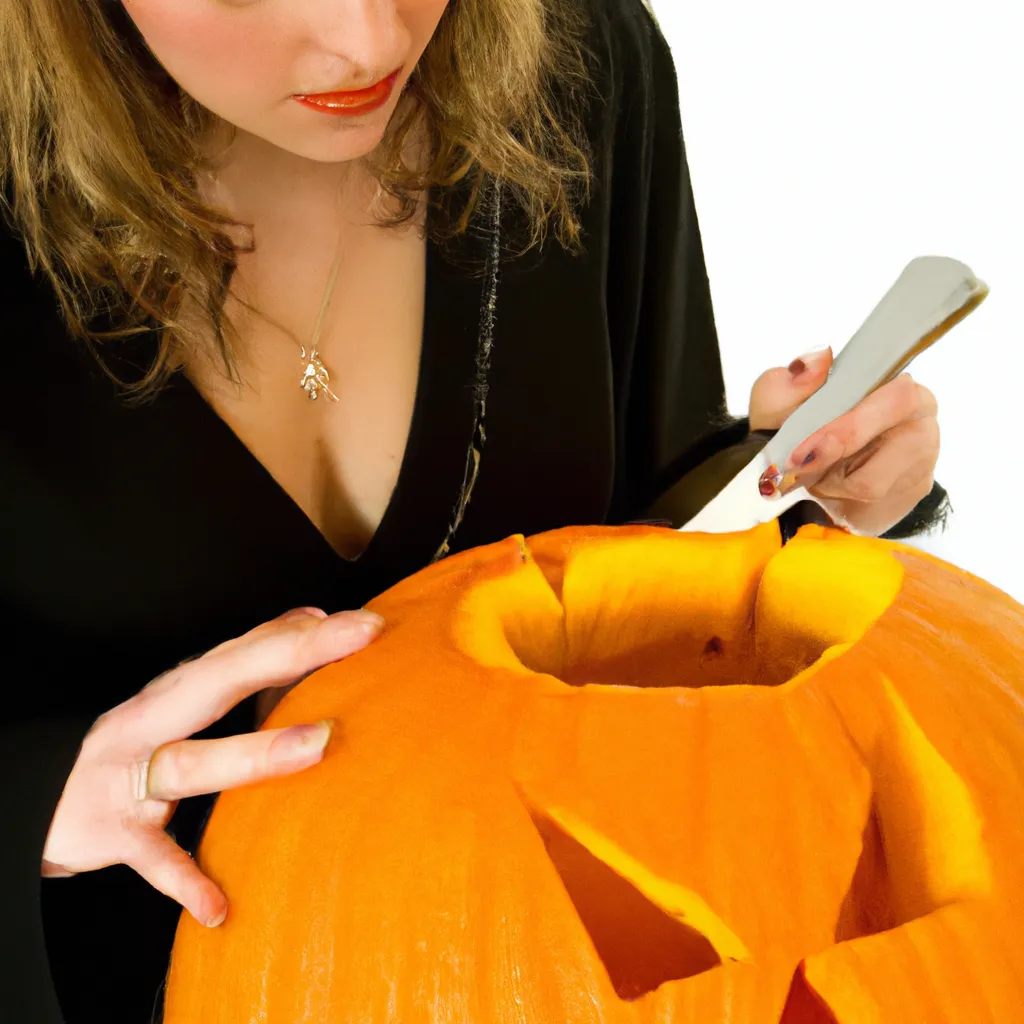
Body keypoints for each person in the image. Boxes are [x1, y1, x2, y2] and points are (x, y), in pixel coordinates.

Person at [0, 0, 946, 1020]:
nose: (370, 40)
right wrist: (29, 804)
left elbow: (641, 537)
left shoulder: (580, 59)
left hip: (559, 976)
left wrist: (802, 483)